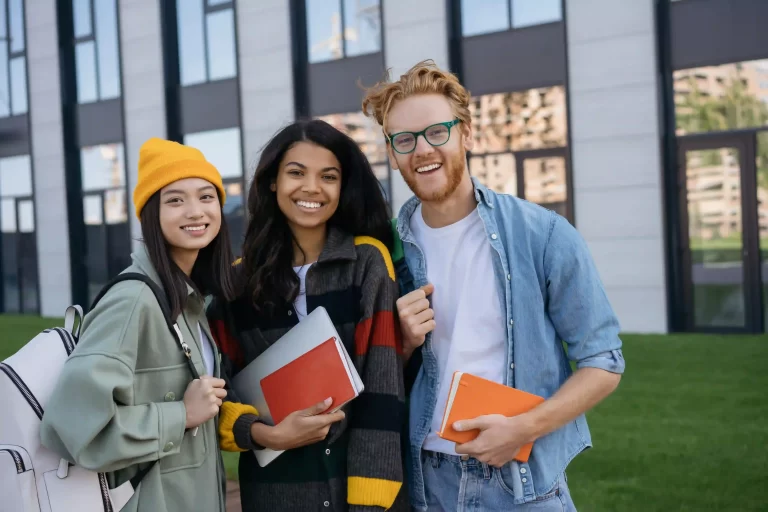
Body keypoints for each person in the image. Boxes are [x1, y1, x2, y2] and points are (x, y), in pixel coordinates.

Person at [361, 60, 626, 511]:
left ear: (466, 132)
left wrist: (525, 428)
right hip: (428, 485)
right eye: (404, 140)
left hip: (523, 484)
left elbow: (603, 362)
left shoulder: (541, 233)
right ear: (391, 151)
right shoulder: (383, 252)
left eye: (436, 132)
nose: (422, 150)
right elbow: (376, 375)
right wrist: (402, 344)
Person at [208, 119, 408, 511]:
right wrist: (266, 434)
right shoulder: (237, 282)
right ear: (272, 182)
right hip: (276, 493)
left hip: (359, 487)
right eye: (296, 173)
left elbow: (383, 386)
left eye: (328, 176)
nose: (312, 188)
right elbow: (215, 387)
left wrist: (370, 503)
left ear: (342, 186)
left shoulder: (366, 262)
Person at [40, 138, 236, 512]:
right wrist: (181, 414)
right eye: (175, 200)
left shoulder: (188, 300)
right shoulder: (133, 301)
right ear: (151, 215)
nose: (195, 211)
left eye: (207, 197)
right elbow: (73, 428)